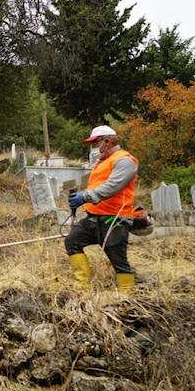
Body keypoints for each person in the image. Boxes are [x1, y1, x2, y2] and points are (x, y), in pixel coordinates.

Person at [65, 125, 138, 292]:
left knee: (118, 260)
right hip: (93, 217)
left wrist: (85, 196)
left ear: (107, 141)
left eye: (94, 143)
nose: (93, 148)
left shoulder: (124, 161)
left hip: (114, 219)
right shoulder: (101, 162)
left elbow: (112, 186)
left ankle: (126, 296)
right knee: (72, 241)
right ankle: (82, 287)